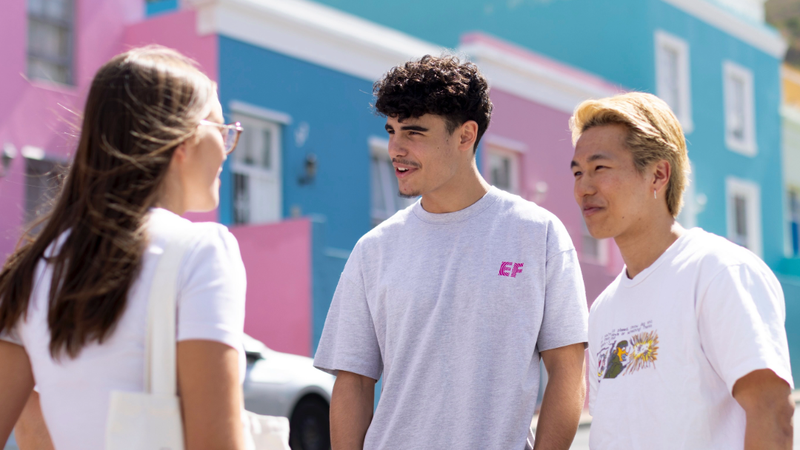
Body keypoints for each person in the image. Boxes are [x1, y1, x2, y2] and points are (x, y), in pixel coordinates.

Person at [313, 55, 589, 450]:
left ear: (465, 135)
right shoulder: (373, 250)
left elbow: (566, 370)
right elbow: (353, 382)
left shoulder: (538, 234)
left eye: (414, 133)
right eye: (391, 131)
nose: (395, 149)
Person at [0, 46, 248, 450]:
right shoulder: (201, 251)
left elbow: (33, 434)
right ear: (182, 139)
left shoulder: (32, 269)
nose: (226, 147)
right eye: (220, 129)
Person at [569, 92, 794, 449]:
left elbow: (772, 414)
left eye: (600, 168)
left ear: (658, 174)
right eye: (578, 172)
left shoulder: (719, 272)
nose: (584, 187)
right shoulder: (602, 311)